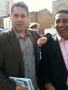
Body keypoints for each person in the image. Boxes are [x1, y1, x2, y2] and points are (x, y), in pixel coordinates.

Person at [0, 2, 41, 90]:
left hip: (35, 86)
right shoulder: (2, 39)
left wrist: (46, 38)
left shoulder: (34, 34)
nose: (19, 19)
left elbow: (47, 38)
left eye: (23, 16)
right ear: (10, 17)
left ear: (28, 18)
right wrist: (13, 87)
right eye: (16, 15)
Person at [37, 10, 68, 90]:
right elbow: (42, 69)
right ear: (54, 25)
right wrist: (48, 84)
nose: (60, 25)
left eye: (65, 21)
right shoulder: (48, 44)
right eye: (57, 21)